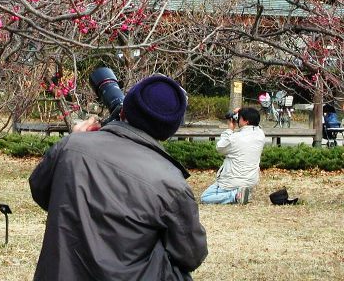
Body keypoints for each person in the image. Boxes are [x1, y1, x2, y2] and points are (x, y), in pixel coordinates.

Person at [29, 75, 207, 281]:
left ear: (123, 110)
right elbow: (192, 255)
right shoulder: (171, 183)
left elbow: (41, 190)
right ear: (169, 131)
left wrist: (74, 140)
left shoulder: (71, 147)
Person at [200, 107, 265, 205]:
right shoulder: (260, 134)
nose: (238, 119)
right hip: (251, 180)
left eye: (240, 118)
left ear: (246, 121)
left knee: (205, 197)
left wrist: (230, 129)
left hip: (232, 181)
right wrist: (243, 111)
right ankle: (243, 192)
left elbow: (220, 147)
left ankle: (235, 195)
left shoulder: (235, 138)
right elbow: (255, 123)